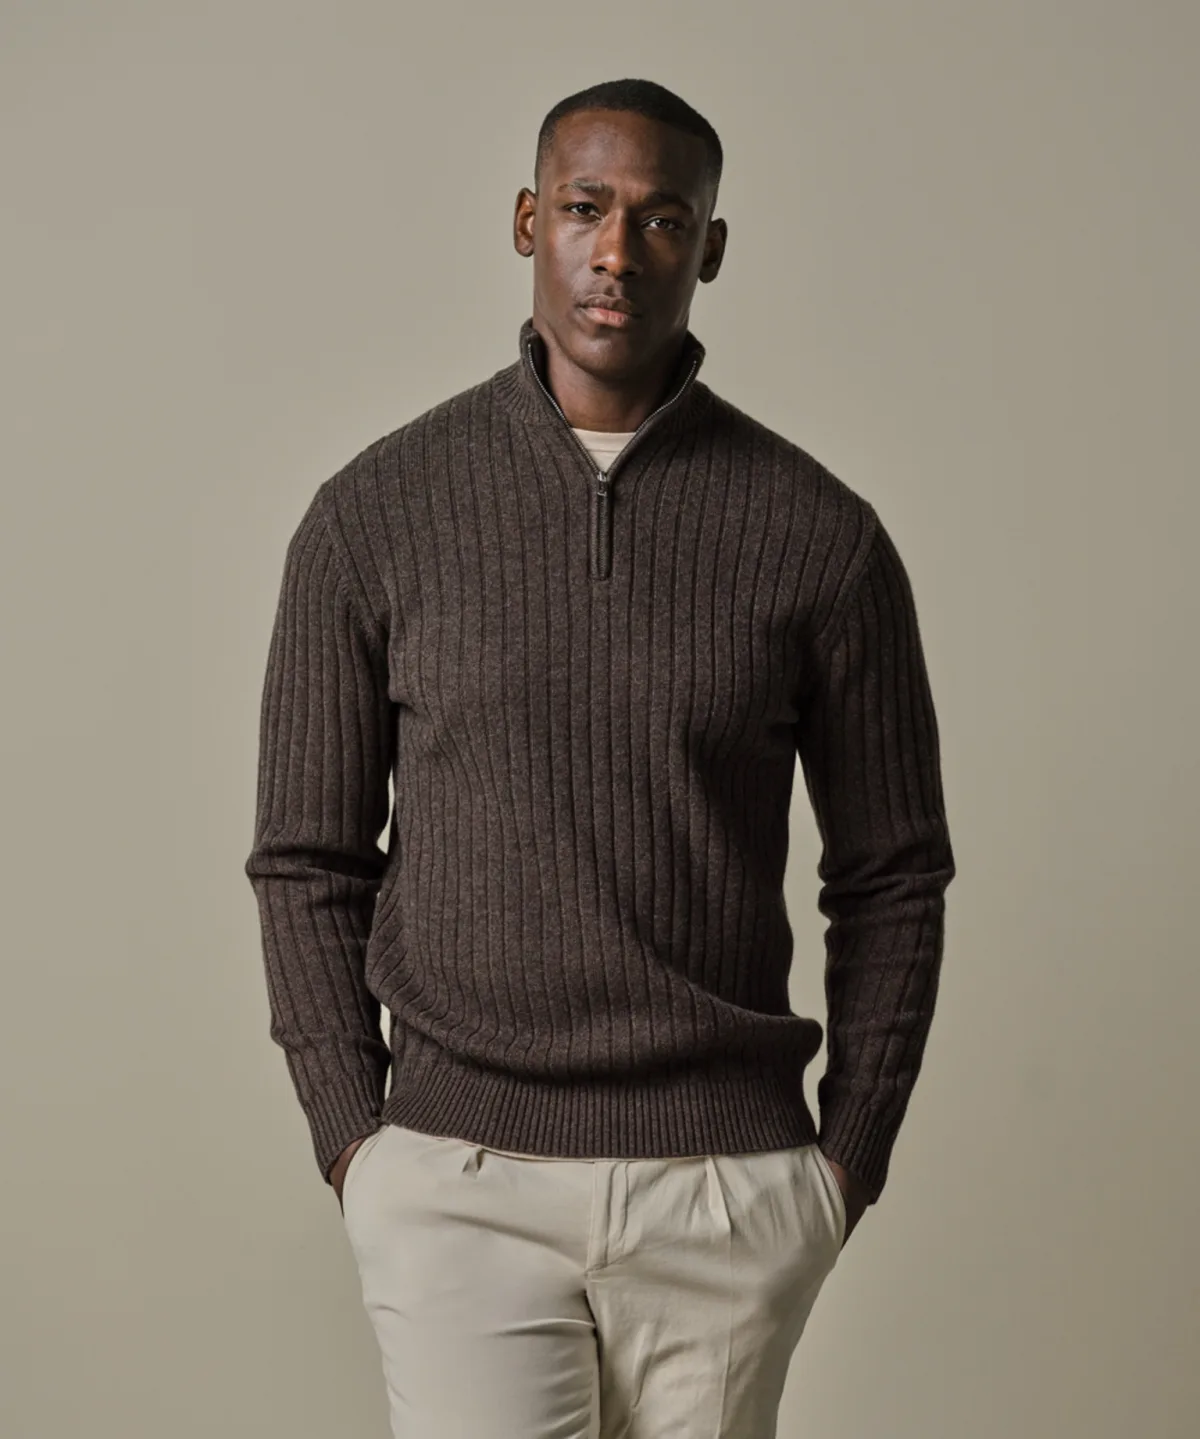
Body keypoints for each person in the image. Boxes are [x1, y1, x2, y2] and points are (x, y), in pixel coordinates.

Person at [244, 76, 956, 1439]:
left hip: (726, 1184)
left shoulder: (821, 538)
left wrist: (845, 1161)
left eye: (661, 219)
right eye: (585, 209)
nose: (617, 252)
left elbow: (894, 873)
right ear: (528, 221)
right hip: (457, 1181)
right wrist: (355, 1143)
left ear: (711, 248)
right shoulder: (374, 515)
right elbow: (307, 858)